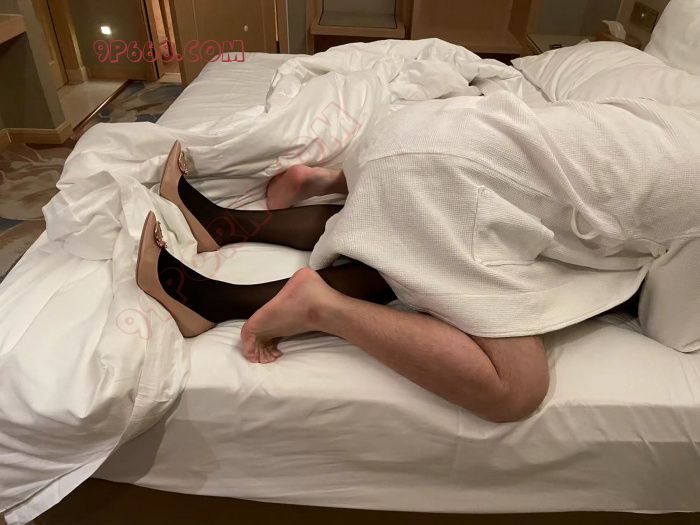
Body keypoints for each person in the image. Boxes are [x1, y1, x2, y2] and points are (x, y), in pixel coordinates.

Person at [136, 141, 549, 423]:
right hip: (457, 186)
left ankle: (220, 243)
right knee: (516, 388)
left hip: (423, 142)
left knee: (398, 236)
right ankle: (302, 301)